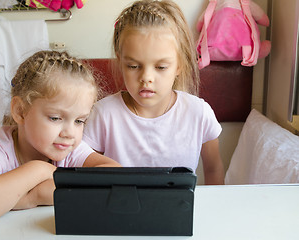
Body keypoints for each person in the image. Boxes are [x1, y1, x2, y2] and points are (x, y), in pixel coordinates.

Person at [0, 50, 121, 230]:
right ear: (20, 111)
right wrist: (39, 170)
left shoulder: (68, 148)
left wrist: (31, 197)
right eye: (55, 118)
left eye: (79, 121)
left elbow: (117, 177)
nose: (70, 133)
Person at [83, 0, 224, 185]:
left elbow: (213, 169)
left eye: (161, 67)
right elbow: (85, 177)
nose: (146, 77)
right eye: (133, 66)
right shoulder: (103, 114)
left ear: (179, 65)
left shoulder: (199, 113)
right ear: (120, 61)